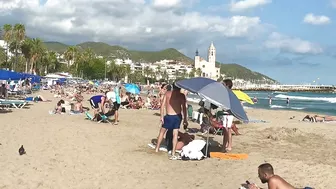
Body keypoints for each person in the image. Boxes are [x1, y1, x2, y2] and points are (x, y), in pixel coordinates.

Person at [155, 83, 188, 160]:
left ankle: (157, 148)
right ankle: (173, 152)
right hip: (177, 116)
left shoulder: (167, 93)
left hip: (169, 116)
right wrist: (185, 119)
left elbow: (162, 106)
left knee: (162, 132)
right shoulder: (182, 95)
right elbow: (184, 108)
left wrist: (161, 116)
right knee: (175, 134)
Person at [222, 79, 234, 152]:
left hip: (228, 114)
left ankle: (227, 146)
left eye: (223, 84)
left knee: (227, 130)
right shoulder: (226, 93)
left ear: (227, 85)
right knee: (226, 130)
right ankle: (226, 145)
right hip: (226, 113)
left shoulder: (229, 93)